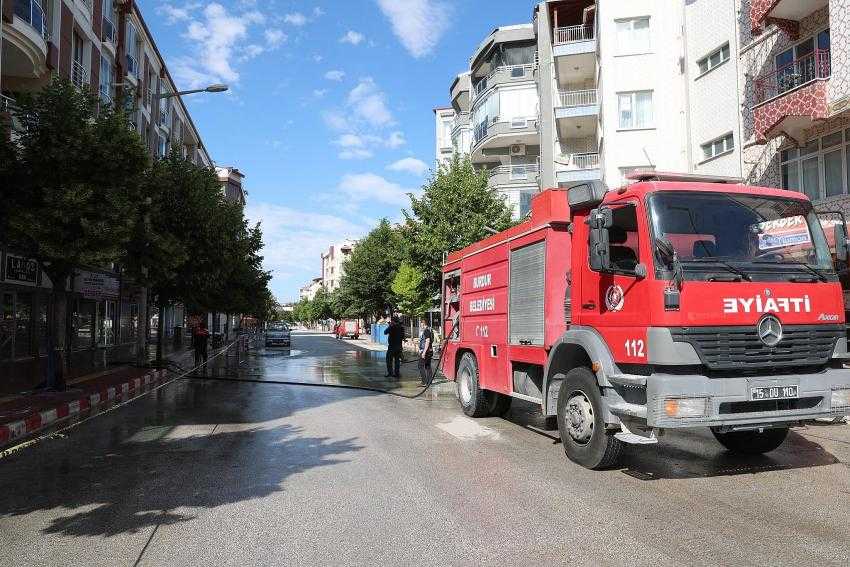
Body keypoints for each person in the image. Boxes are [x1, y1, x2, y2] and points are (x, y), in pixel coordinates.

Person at [418, 317, 434, 386]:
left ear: (423, 324)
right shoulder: (430, 330)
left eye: (421, 324)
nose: (420, 326)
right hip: (429, 351)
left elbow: (427, 341)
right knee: (428, 366)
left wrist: (424, 352)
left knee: (420, 365)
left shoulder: (426, 331)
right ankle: (429, 382)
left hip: (426, 352)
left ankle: (424, 382)